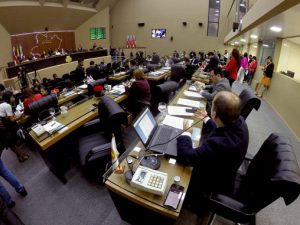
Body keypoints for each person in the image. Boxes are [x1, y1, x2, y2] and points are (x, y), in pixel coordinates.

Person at [177, 91, 249, 209]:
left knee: (176, 165)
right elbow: (223, 128)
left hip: (214, 181)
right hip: (226, 169)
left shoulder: (217, 144)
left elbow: (187, 156)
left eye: (212, 107)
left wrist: (186, 134)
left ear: (214, 114)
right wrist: (207, 119)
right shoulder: (239, 120)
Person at [0, 91, 29, 162]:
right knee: (11, 142)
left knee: (11, 143)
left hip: (3, 125)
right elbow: (11, 119)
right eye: (12, 97)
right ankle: (22, 155)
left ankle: (21, 156)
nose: (14, 98)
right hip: (2, 127)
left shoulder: (2, 104)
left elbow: (7, 117)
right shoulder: (7, 105)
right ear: (8, 98)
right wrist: (20, 116)